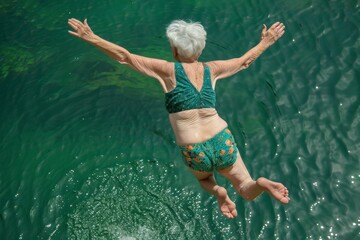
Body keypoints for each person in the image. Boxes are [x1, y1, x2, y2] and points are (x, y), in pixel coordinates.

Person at [68, 18, 289, 219]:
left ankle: (218, 191)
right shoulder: (212, 69)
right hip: (221, 139)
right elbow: (244, 61)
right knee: (246, 188)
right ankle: (260, 183)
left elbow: (125, 57)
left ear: (174, 50)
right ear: (201, 49)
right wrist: (266, 42)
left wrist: (91, 37)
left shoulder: (167, 70)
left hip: (193, 147)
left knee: (205, 180)